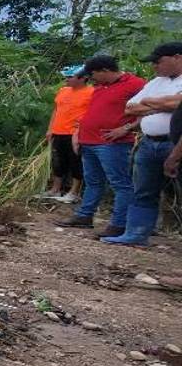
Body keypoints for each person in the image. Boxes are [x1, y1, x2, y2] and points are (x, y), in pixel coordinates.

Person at [55, 55, 145, 237]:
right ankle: (84, 215)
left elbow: (150, 109)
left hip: (113, 143)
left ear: (105, 70)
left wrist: (126, 128)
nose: (91, 78)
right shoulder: (100, 87)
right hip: (89, 140)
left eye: (93, 74)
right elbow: (92, 112)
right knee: (93, 181)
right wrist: (78, 132)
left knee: (120, 184)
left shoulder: (135, 84)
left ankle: (119, 224)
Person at [102, 43, 182, 245]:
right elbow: (130, 108)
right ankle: (136, 234)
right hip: (149, 143)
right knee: (144, 190)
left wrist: (150, 103)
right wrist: (164, 104)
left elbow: (175, 104)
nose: (155, 66)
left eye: (159, 61)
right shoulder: (157, 82)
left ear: (177, 57)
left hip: (175, 143)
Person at [40, 65, 93, 203]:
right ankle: (55, 189)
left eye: (70, 77)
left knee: (76, 162)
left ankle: (74, 192)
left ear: (84, 78)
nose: (66, 79)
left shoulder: (91, 93)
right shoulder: (63, 91)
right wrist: (50, 128)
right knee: (58, 161)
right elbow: (56, 110)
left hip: (75, 134)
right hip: (58, 131)